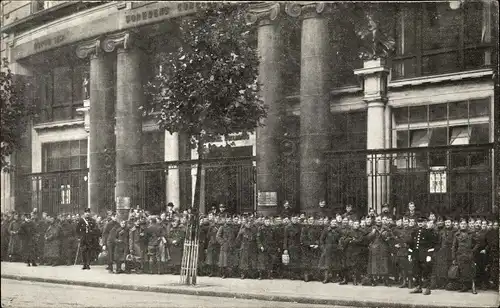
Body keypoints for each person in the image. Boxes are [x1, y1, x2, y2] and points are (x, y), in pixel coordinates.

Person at [408, 216, 439, 295]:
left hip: (424, 255)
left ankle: (428, 288)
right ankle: (418, 287)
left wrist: (429, 255)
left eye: (422, 222)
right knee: (416, 271)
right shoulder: (414, 232)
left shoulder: (429, 232)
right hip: (416, 254)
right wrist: (410, 254)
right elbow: (411, 244)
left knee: (426, 271)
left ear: (425, 223)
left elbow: (432, 245)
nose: (420, 223)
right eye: (419, 222)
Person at [318, 219, 342, 283]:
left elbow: (340, 239)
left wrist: (339, 246)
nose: (334, 223)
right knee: (327, 264)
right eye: (333, 222)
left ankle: (333, 278)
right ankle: (326, 278)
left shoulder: (338, 230)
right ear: (330, 223)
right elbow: (321, 240)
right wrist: (323, 248)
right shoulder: (326, 230)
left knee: (334, 264)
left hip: (335, 249)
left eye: (335, 222)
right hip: (327, 249)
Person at [300, 216, 321, 282]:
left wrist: (317, 244)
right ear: (307, 220)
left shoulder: (316, 228)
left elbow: (319, 238)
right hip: (306, 248)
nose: (311, 221)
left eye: (312, 219)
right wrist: (309, 244)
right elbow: (302, 239)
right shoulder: (304, 229)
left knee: (314, 262)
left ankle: (313, 275)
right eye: (310, 219)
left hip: (314, 247)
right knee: (307, 262)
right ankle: (306, 275)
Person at [283, 216, 302, 280]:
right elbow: (285, 238)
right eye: (293, 219)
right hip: (291, 245)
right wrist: (285, 248)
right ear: (291, 219)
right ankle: (292, 275)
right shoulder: (287, 227)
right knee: (292, 260)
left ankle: (297, 274)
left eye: (296, 219)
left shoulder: (299, 226)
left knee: (298, 260)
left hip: (298, 245)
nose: (295, 220)